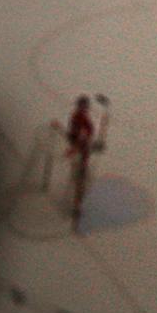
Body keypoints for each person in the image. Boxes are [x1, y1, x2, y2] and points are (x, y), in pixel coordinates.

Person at [65, 94, 96, 230]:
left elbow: (87, 134)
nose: (83, 109)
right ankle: (76, 206)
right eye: (82, 107)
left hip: (81, 154)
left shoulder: (82, 120)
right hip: (78, 153)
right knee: (78, 179)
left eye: (84, 107)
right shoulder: (76, 118)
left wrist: (78, 146)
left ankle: (77, 207)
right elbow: (74, 135)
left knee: (80, 180)